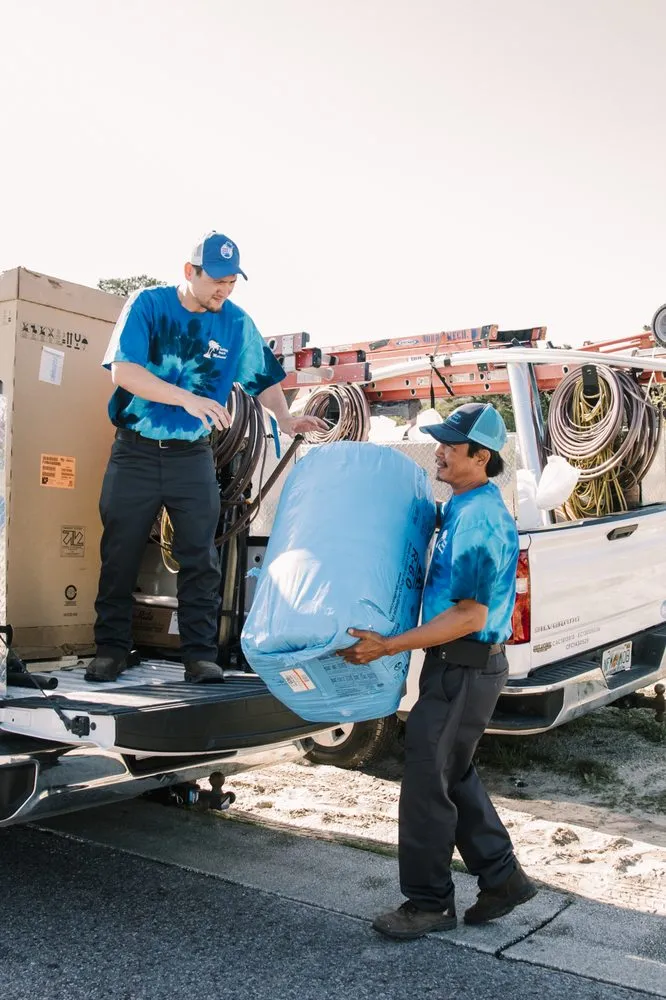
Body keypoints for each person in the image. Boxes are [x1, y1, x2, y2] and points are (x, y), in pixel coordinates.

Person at [86, 231, 326, 685]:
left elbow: (263, 378)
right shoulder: (148, 305)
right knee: (120, 554)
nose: (224, 289)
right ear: (189, 272)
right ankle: (111, 650)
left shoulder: (236, 323)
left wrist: (286, 419)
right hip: (134, 452)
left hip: (191, 458)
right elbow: (124, 371)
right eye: (216, 279)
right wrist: (186, 400)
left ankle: (200, 655)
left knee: (200, 557)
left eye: (232, 281)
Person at [339, 402, 537, 940]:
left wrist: (389, 646)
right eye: (441, 441)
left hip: (464, 668)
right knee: (452, 772)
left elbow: (470, 613)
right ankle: (503, 879)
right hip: (458, 668)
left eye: (452, 444)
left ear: (483, 455)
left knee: (427, 782)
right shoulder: (463, 505)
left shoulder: (478, 520)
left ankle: (428, 904)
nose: (440, 451)